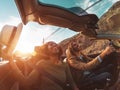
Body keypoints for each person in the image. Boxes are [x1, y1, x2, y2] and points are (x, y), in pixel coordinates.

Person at [9, 41, 79, 90]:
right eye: (51, 44)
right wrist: (11, 60)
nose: (54, 45)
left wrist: (76, 88)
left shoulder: (64, 65)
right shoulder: (42, 64)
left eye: (55, 44)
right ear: (46, 50)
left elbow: (71, 81)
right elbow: (27, 82)